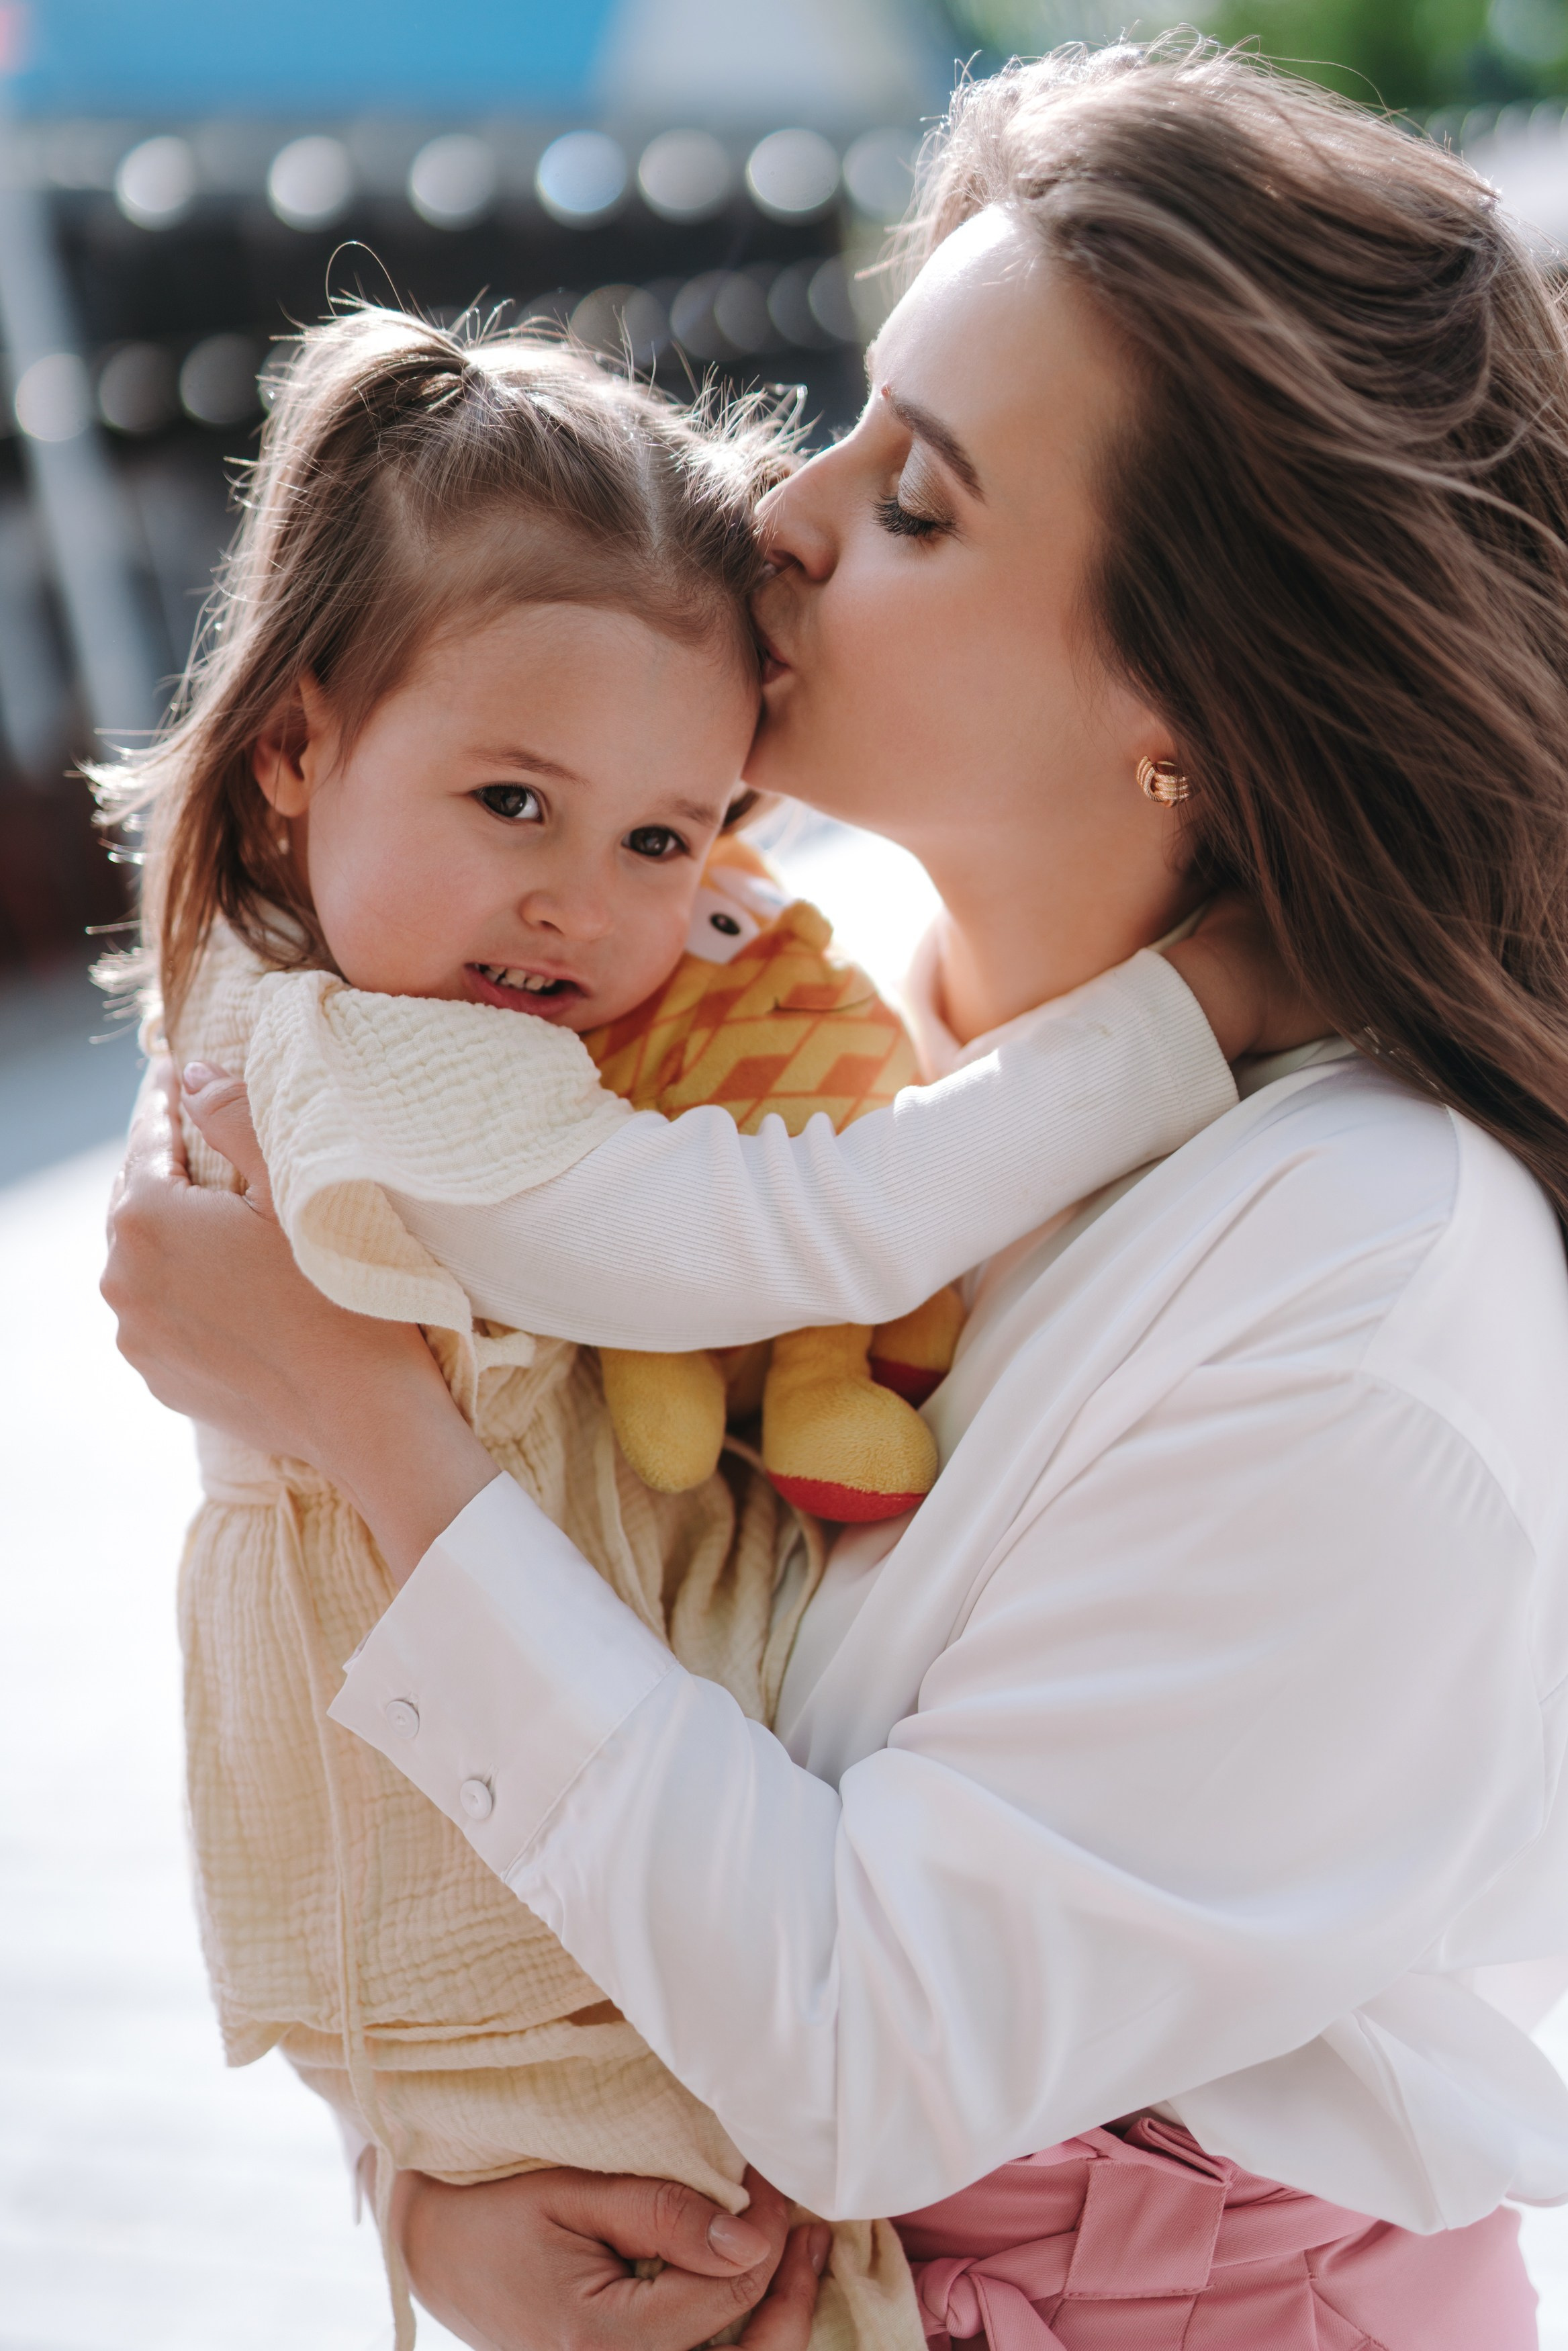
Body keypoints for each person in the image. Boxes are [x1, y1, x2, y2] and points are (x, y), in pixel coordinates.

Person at [105, 35, 1568, 2350]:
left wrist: (360, 1415)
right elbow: (529, 1700)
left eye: (923, 500)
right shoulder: (763, 1008)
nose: (784, 512)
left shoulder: (1372, 1290)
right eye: (861, 419)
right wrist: (432, 2185)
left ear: (1180, 694)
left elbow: (865, 2045)